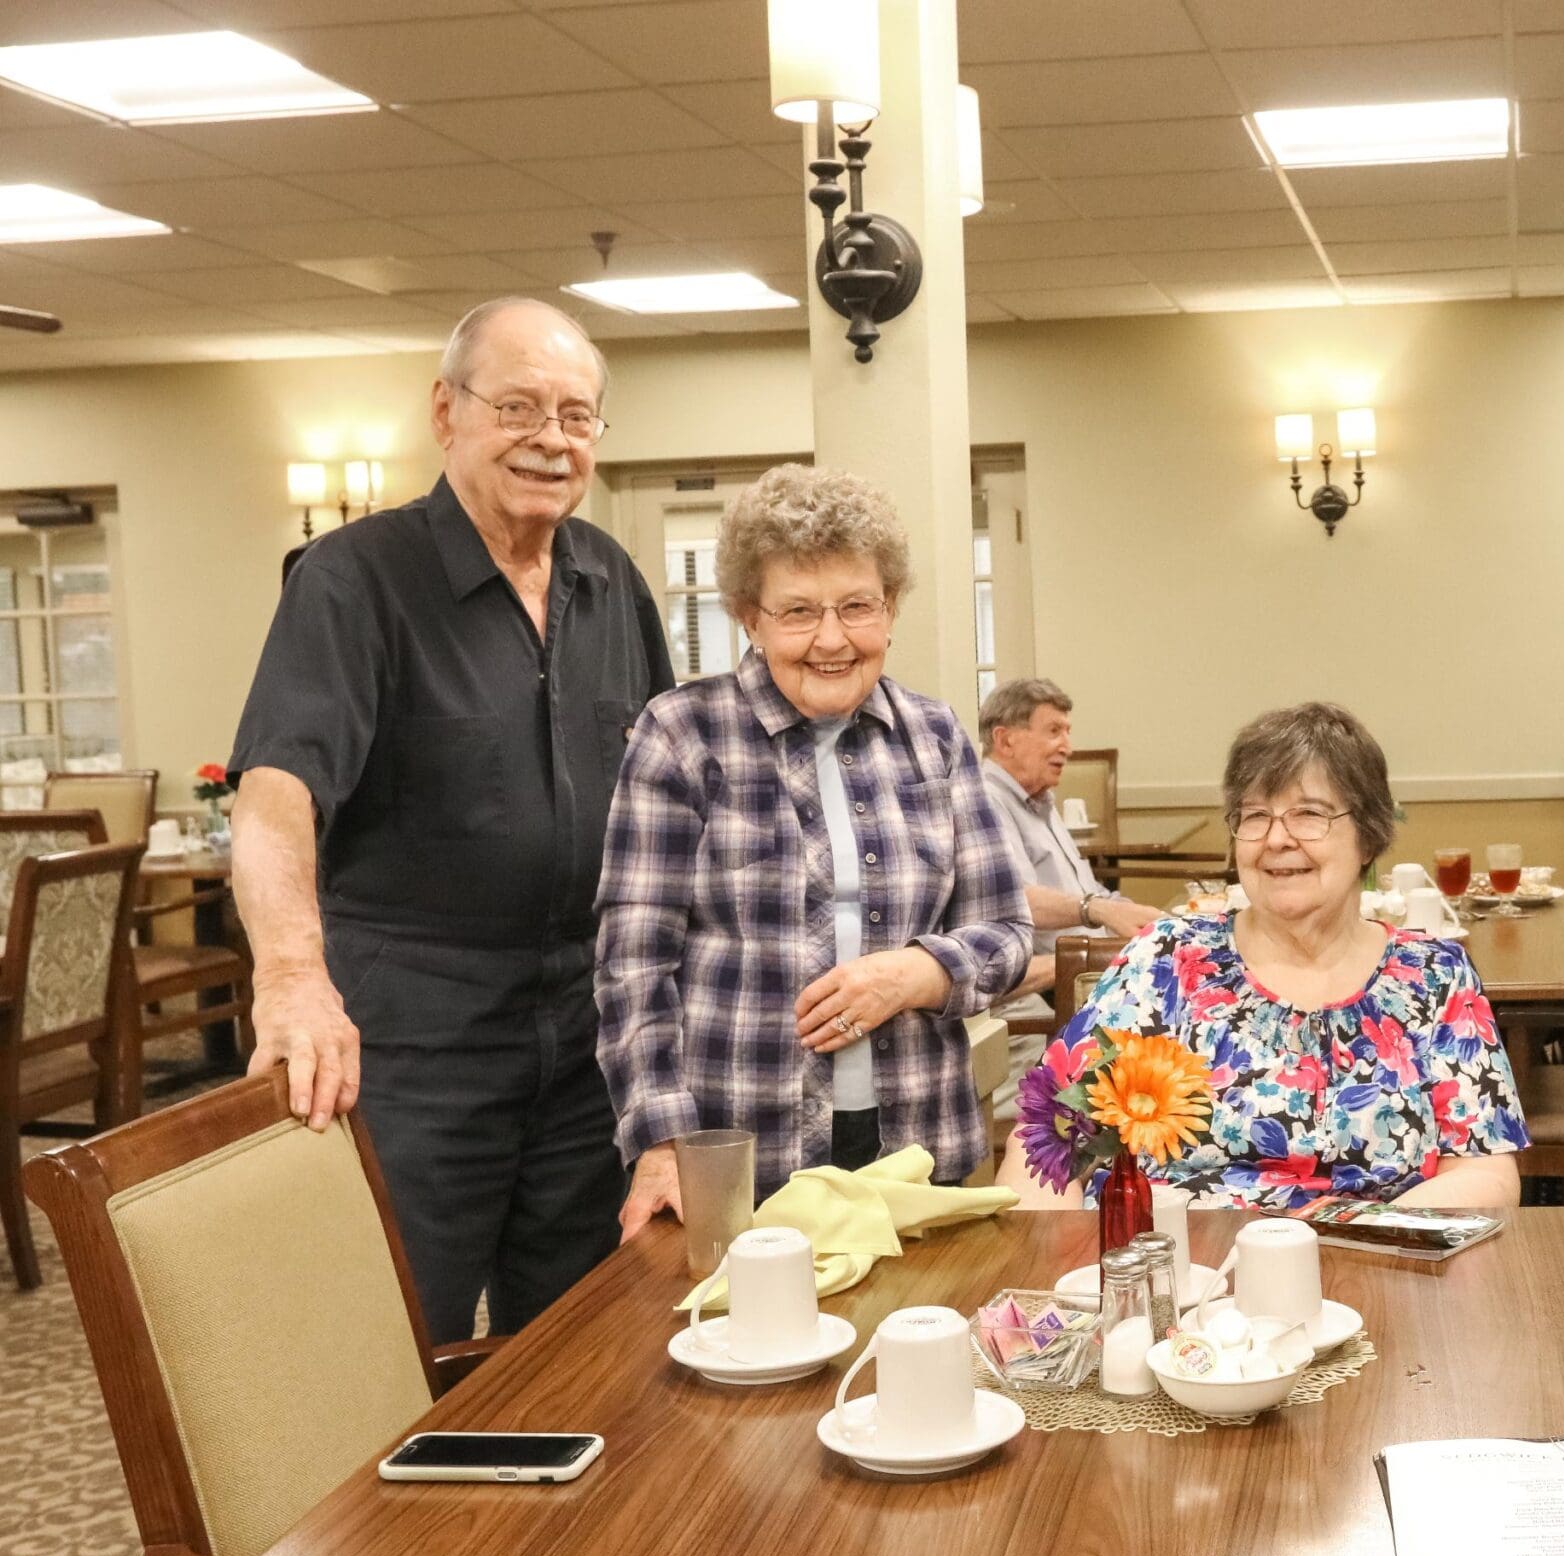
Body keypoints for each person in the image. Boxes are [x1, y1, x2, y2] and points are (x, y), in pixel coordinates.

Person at [228, 297, 674, 1342]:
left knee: (583, 1341)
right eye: (517, 406)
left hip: (587, 1045)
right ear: (446, 411)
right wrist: (291, 976)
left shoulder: (613, 580)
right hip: (416, 1044)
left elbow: (671, 799)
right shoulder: (352, 580)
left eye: (575, 414)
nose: (549, 438)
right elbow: (274, 793)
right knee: (388, 1343)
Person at [599, 465, 1030, 1224]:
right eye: (797, 611)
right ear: (747, 616)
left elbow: (1008, 932)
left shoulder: (935, 736)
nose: (832, 639)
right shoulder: (682, 735)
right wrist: (661, 1143)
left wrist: (919, 971)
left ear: (890, 607)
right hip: (744, 1158)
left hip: (920, 1144)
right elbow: (633, 965)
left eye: (857, 606)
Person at [998, 702, 1526, 1211]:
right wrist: (1059, 1268)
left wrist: (1343, 1237)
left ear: (1368, 836)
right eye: (1255, 816)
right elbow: (1045, 1139)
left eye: (1309, 814)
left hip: (1380, 1265)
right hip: (1181, 1274)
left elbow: (1484, 1172)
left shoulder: (1431, 976)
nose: (1276, 839)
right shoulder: (1167, 961)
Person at [976, 676, 1164, 1113]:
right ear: (1005, 739)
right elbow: (1013, 903)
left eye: (1068, 731)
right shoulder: (985, 803)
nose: (1068, 745)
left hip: (1090, 985)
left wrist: (1144, 916)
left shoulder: (1040, 802)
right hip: (1053, 1000)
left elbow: (1089, 892)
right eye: (1054, 731)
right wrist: (1096, 911)